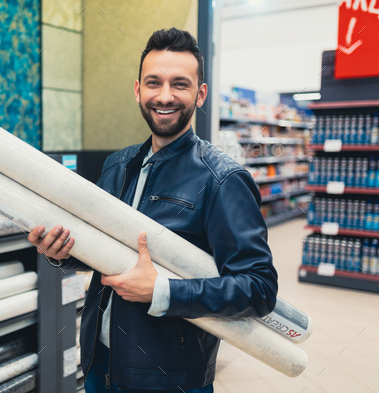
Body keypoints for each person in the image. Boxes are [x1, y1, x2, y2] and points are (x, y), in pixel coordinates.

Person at [28, 28, 278, 393]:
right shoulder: (117, 165)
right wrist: (61, 253)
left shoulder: (223, 180)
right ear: (137, 90)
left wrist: (163, 292)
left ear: (200, 93)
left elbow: (259, 289)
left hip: (169, 379)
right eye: (153, 82)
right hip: (101, 365)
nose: (164, 96)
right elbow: (102, 256)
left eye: (180, 84)